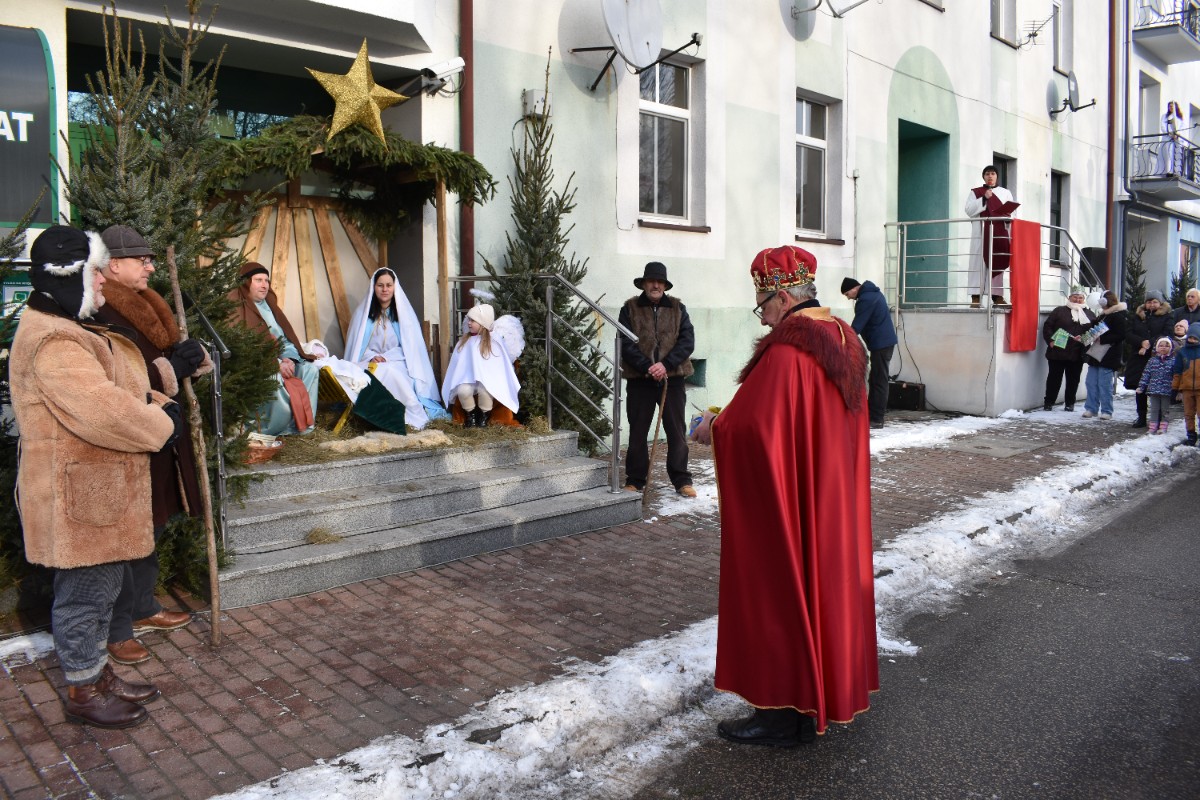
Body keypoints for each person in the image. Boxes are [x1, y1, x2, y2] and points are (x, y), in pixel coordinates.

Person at [10, 225, 179, 728]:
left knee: (101, 591)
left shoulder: (68, 326)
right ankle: (83, 690)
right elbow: (103, 409)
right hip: (78, 499)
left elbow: (118, 386)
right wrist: (161, 424)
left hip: (93, 493)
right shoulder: (54, 340)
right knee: (84, 597)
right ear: (70, 276)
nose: (103, 280)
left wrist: (154, 400)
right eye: (95, 272)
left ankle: (96, 674)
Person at [712, 245, 877, 746]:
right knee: (820, 589)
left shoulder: (787, 353)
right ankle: (810, 705)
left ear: (783, 298)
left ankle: (780, 716)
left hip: (790, 498)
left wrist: (712, 426)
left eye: (763, 306)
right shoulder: (845, 338)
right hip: (831, 498)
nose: (762, 318)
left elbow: (753, 429)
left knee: (777, 586)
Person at [95, 225, 207, 666]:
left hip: (160, 435)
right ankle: (116, 627)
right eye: (142, 261)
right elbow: (119, 380)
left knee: (151, 526)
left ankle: (143, 606)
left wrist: (192, 359)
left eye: (151, 260)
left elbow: (164, 357)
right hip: (128, 438)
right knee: (126, 535)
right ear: (113, 265)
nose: (150, 268)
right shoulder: (101, 310)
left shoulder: (146, 304)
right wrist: (171, 368)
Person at [618, 261, 696, 498]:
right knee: (638, 431)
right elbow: (625, 343)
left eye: (660, 282)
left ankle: (682, 480)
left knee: (676, 431)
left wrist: (665, 365)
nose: (656, 285)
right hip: (640, 379)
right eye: (651, 281)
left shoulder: (678, 308)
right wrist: (648, 367)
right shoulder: (629, 308)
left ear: (665, 285)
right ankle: (635, 479)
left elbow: (687, 342)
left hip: (672, 379)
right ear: (644, 284)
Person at [343, 267, 448, 430]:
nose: (385, 289)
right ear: (374, 287)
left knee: (392, 373)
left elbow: (409, 348)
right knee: (374, 373)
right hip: (368, 362)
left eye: (388, 285)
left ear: (394, 287)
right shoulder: (362, 315)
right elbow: (358, 348)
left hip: (398, 362)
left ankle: (403, 416)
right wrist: (372, 356)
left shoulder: (404, 316)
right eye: (380, 285)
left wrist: (387, 357)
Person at [227, 262, 319, 435]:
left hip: (280, 358)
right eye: (258, 280)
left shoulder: (269, 306)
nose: (264, 285)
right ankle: (271, 428)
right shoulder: (235, 307)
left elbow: (284, 339)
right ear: (246, 283)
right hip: (255, 364)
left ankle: (299, 425)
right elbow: (244, 348)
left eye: (266, 280)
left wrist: (289, 359)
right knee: (274, 377)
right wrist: (276, 363)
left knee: (310, 369)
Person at [441, 303, 522, 428]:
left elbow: (499, 364)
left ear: (483, 323)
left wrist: (489, 378)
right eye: (469, 319)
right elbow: (459, 364)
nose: (469, 323)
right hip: (468, 378)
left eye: (473, 321)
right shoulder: (465, 341)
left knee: (485, 390)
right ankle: (471, 415)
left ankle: (484, 417)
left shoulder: (494, 341)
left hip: (488, 379)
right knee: (463, 390)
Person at [841, 277, 897, 429]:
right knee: (876, 379)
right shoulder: (873, 293)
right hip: (883, 343)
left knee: (879, 381)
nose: (848, 298)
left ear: (854, 288)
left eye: (847, 294)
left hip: (881, 344)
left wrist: (844, 339)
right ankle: (873, 416)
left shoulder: (866, 299)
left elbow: (857, 325)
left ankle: (876, 419)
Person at [964, 165, 1017, 307]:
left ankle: (997, 296)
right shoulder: (976, 192)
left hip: (999, 232)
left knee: (997, 262)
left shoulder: (1005, 193)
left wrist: (1008, 215)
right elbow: (968, 210)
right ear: (983, 177)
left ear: (997, 176)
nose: (990, 176)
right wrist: (983, 199)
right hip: (981, 233)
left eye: (993, 173)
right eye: (987, 174)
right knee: (977, 264)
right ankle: (976, 297)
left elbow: (1013, 213)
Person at [1124, 290, 1174, 427]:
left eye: (1155, 302)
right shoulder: (1138, 316)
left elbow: (1167, 333)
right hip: (1139, 357)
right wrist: (1141, 342)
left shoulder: (1167, 316)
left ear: (1160, 303)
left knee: (1157, 388)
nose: (1151, 304)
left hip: (1157, 357)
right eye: (1149, 302)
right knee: (1140, 387)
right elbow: (1128, 333)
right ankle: (1141, 416)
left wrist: (1150, 343)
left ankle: (1158, 417)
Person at [1042, 289, 1096, 412]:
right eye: (1075, 297)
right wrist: (1050, 340)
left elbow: (1093, 332)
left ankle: (1070, 403)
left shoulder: (1089, 314)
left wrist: (1085, 339)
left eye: (1080, 298)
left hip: (1077, 352)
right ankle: (1049, 402)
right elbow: (1048, 326)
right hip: (1058, 351)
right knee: (1054, 379)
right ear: (1069, 297)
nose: (1077, 300)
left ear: (1084, 299)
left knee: (1073, 380)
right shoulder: (1059, 311)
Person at [1082, 290, 1128, 420]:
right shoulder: (1103, 315)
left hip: (1109, 354)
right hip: (1096, 354)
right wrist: (1086, 337)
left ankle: (1107, 410)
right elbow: (1094, 330)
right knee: (1091, 382)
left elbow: (1121, 335)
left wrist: (1103, 339)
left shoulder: (1119, 316)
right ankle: (1091, 408)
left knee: (1104, 384)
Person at [1137, 337, 1177, 435]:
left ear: (1171, 348)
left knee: (1165, 409)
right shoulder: (1152, 361)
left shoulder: (1173, 361)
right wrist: (1141, 386)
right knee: (1154, 409)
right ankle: (1153, 426)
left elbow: (1176, 376)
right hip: (1154, 389)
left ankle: (1163, 426)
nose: (1163, 348)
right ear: (1157, 347)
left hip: (1167, 390)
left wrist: (1177, 389)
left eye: (1166, 346)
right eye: (1161, 346)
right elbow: (1146, 374)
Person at [1171, 322, 1200, 446]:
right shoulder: (1182, 352)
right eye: (1190, 337)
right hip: (1186, 388)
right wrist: (1175, 388)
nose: (1192, 340)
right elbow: (1177, 371)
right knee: (1188, 414)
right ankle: (1191, 436)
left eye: (1195, 338)